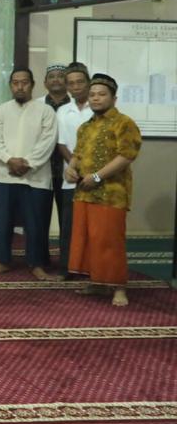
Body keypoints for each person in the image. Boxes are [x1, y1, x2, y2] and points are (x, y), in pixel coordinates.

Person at [64, 74, 141, 307]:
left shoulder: (124, 123)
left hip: (111, 193)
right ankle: (98, 282)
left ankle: (119, 287)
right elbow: (77, 154)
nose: (96, 98)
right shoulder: (86, 126)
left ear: (114, 98)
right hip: (85, 193)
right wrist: (71, 169)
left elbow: (127, 155)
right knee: (90, 241)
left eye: (102, 94)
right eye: (93, 95)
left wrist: (97, 176)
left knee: (110, 241)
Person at [0, 68, 58, 279]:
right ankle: (3, 261)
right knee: (4, 222)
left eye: (24, 82)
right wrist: (9, 160)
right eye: (15, 82)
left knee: (34, 223)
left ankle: (36, 264)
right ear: (10, 85)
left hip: (35, 178)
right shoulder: (0, 110)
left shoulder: (45, 111)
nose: (20, 86)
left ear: (32, 84)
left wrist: (28, 163)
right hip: (3, 175)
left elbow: (48, 141)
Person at [54, 65, 93, 277]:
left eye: (80, 82)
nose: (75, 86)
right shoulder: (62, 111)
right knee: (69, 225)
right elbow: (61, 144)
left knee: (92, 225)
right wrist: (75, 165)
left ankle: (91, 267)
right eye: (71, 83)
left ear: (88, 82)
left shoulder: (97, 107)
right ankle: (67, 268)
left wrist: (88, 169)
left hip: (96, 177)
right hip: (71, 176)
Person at [42, 62, 72, 246]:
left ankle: (67, 261)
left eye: (61, 76)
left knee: (68, 220)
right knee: (39, 219)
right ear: (45, 82)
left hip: (68, 170)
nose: (56, 80)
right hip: (42, 170)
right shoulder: (36, 105)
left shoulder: (76, 106)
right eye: (51, 76)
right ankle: (40, 260)